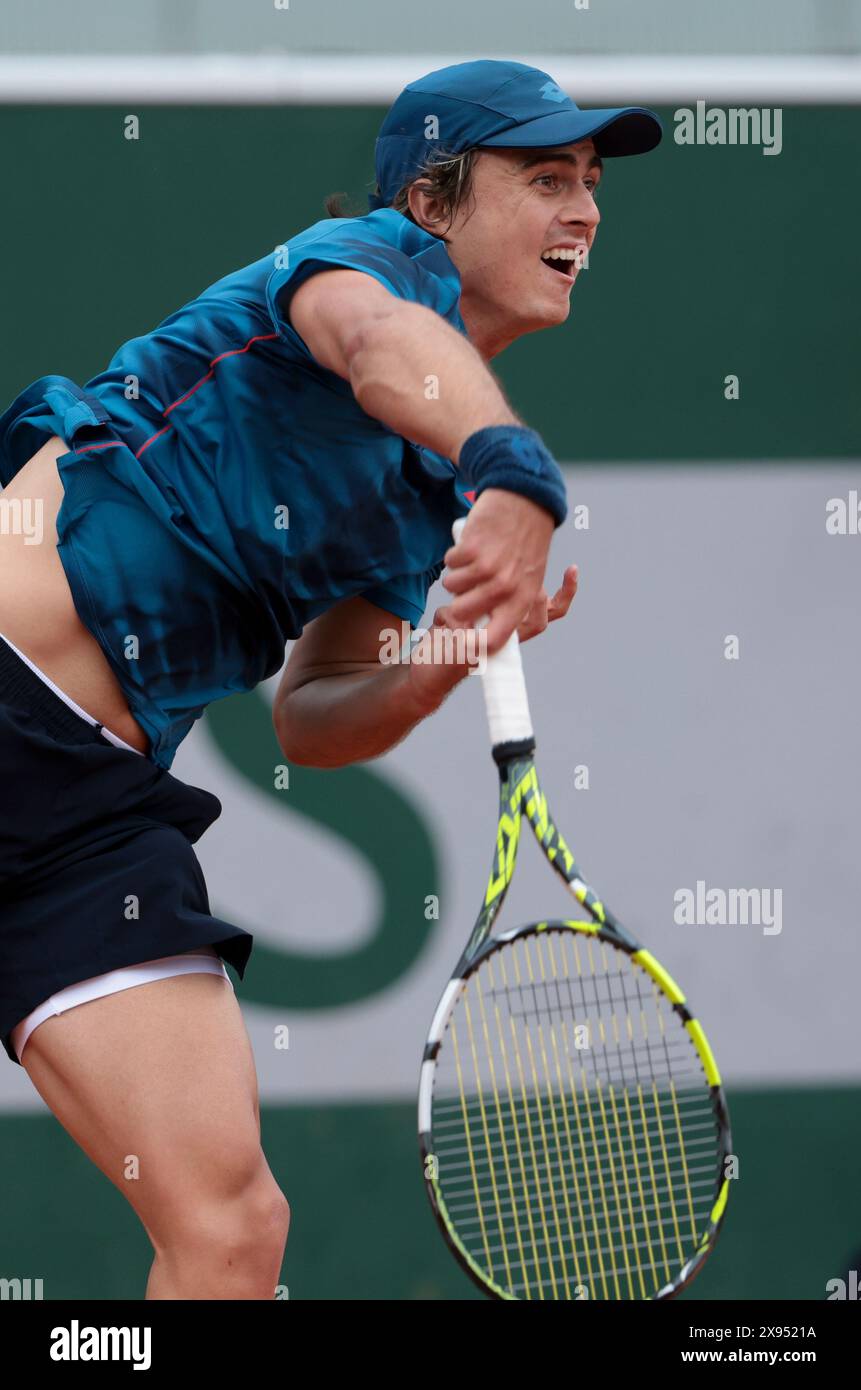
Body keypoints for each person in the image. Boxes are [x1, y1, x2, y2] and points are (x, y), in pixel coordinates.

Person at [0, 59, 661, 1298]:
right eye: (543, 178)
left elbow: (313, 716)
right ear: (430, 201)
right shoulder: (354, 265)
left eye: (588, 183)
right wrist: (513, 468)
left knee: (233, 1230)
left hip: (86, 819)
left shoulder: (424, 486)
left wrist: (447, 650)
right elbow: (376, 344)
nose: (581, 210)